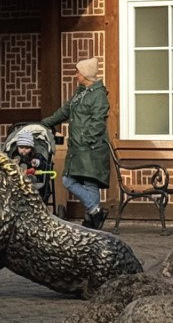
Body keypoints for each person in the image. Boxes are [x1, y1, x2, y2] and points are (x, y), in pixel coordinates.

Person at [41, 57, 110, 229]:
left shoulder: (98, 95)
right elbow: (64, 111)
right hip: (80, 147)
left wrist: (84, 139)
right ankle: (94, 215)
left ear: (86, 75)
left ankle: (94, 213)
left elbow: (98, 122)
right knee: (80, 181)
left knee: (78, 181)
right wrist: (45, 123)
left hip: (90, 147)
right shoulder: (80, 93)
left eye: (78, 72)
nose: (76, 75)